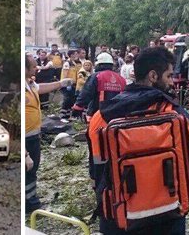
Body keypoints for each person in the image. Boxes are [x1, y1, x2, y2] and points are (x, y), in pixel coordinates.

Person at [88, 47, 189, 234]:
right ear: (153, 76)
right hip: (167, 216)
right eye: (169, 76)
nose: (172, 82)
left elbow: (96, 173)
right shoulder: (173, 112)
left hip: (119, 217)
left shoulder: (101, 116)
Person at [24, 55, 73, 214]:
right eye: (33, 66)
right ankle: (30, 205)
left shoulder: (30, 84)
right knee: (28, 170)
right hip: (26, 139)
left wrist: (60, 83)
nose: (37, 68)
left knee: (32, 170)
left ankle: (31, 200)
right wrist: (25, 154)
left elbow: (41, 88)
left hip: (34, 136)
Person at [71, 52, 126, 121]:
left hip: (98, 115)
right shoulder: (121, 79)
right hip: (116, 117)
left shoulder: (97, 76)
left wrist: (77, 108)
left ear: (99, 65)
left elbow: (86, 93)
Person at [60, 50, 83, 116]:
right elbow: (65, 74)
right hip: (67, 84)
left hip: (73, 83)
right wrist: (66, 83)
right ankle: (63, 113)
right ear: (71, 55)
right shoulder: (67, 63)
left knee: (71, 99)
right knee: (67, 98)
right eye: (75, 54)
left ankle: (68, 114)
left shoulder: (74, 63)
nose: (76, 55)